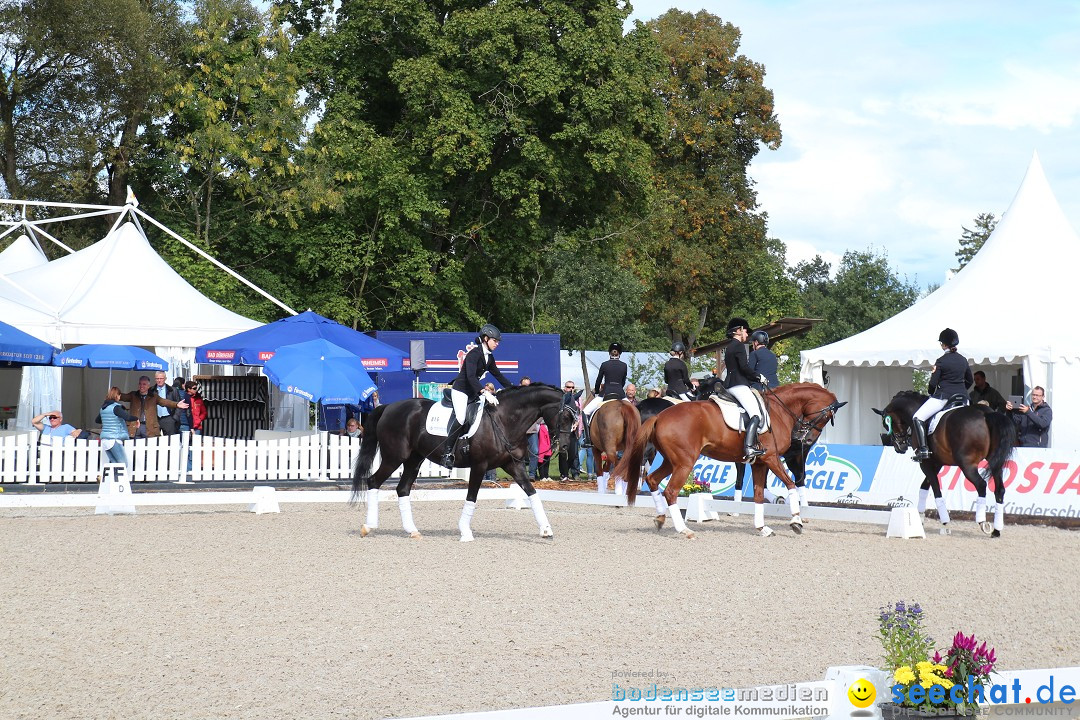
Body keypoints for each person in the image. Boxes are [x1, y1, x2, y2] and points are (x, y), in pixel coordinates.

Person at [442, 324, 512, 468]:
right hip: (461, 391)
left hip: (472, 392)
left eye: (498, 341)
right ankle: (447, 454)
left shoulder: (489, 357)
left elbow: (498, 375)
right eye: (495, 340)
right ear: (486, 339)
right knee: (461, 418)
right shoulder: (474, 354)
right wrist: (484, 392)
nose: (497, 343)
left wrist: (514, 389)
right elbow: (470, 377)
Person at [912, 328, 973, 461]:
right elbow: (970, 380)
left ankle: (923, 450)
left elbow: (933, 384)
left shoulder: (941, 361)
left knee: (917, 417)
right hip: (963, 398)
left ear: (944, 344)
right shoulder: (963, 360)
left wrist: (930, 392)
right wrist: (962, 389)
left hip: (944, 397)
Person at [721, 317, 766, 462]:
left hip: (729, 384)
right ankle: (749, 447)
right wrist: (759, 377)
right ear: (739, 331)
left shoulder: (730, 346)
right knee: (756, 415)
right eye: (746, 331)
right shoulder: (739, 346)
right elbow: (744, 368)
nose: (747, 335)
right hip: (739, 384)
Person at [581, 342, 628, 447]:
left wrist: (597, 391)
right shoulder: (624, 366)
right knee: (636, 413)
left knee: (585, 412)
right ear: (619, 353)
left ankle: (588, 440)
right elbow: (623, 382)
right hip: (620, 394)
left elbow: (598, 381)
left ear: (609, 353)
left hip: (606, 393)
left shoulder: (604, 364)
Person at [121, 375, 189, 439]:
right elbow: (121, 397)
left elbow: (164, 402)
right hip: (135, 427)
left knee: (150, 448)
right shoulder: (133, 395)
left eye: (144, 384)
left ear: (148, 386)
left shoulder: (153, 396)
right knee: (135, 448)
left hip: (148, 427)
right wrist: (114, 392)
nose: (141, 386)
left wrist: (176, 404)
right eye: (140, 384)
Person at [95, 386, 138, 467]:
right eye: (119, 395)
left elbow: (97, 420)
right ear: (116, 395)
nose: (120, 397)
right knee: (123, 464)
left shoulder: (103, 408)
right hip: (114, 439)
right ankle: (120, 480)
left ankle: (113, 479)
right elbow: (127, 417)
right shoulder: (116, 408)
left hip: (105, 440)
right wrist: (137, 418)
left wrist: (107, 419)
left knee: (114, 464)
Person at [152, 371, 184, 435]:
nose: (159, 380)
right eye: (157, 378)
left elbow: (179, 404)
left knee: (170, 441)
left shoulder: (172, 390)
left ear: (165, 379)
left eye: (161, 378)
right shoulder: (151, 390)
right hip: (155, 418)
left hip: (169, 418)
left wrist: (174, 418)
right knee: (154, 440)